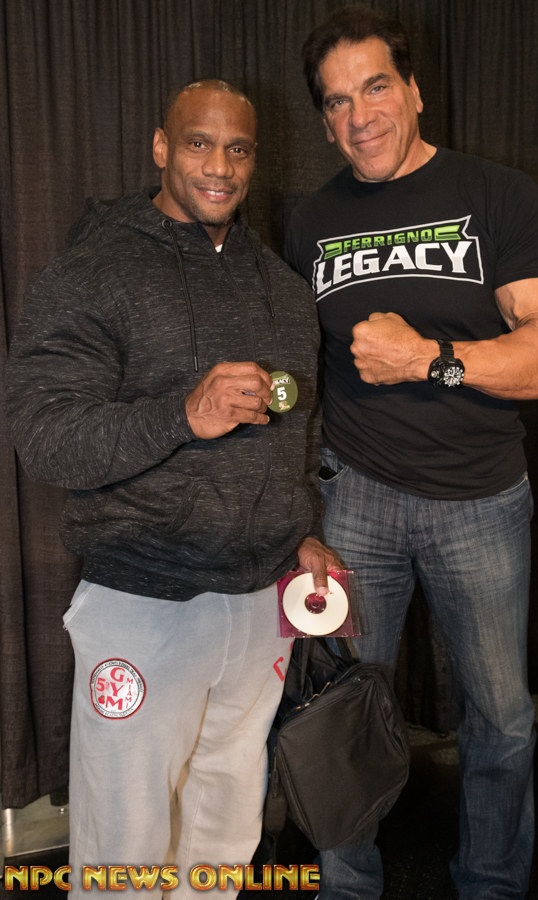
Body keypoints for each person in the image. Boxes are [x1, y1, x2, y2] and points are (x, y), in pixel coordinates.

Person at [6, 79, 338, 898]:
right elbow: (45, 437)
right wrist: (181, 415)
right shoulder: (90, 272)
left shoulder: (282, 289)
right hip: (142, 603)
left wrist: (299, 527)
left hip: (257, 607)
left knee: (225, 832)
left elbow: (295, 436)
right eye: (198, 143)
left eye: (237, 148)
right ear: (161, 147)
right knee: (125, 847)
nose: (218, 166)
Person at [285, 8, 538, 899]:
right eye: (337, 101)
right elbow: (296, 376)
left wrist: (430, 360)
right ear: (323, 120)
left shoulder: (498, 195)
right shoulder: (309, 221)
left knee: (501, 720)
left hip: (480, 501)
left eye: (376, 87)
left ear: (413, 91)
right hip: (353, 500)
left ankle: (490, 882)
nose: (359, 116)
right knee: (340, 715)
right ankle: (348, 886)